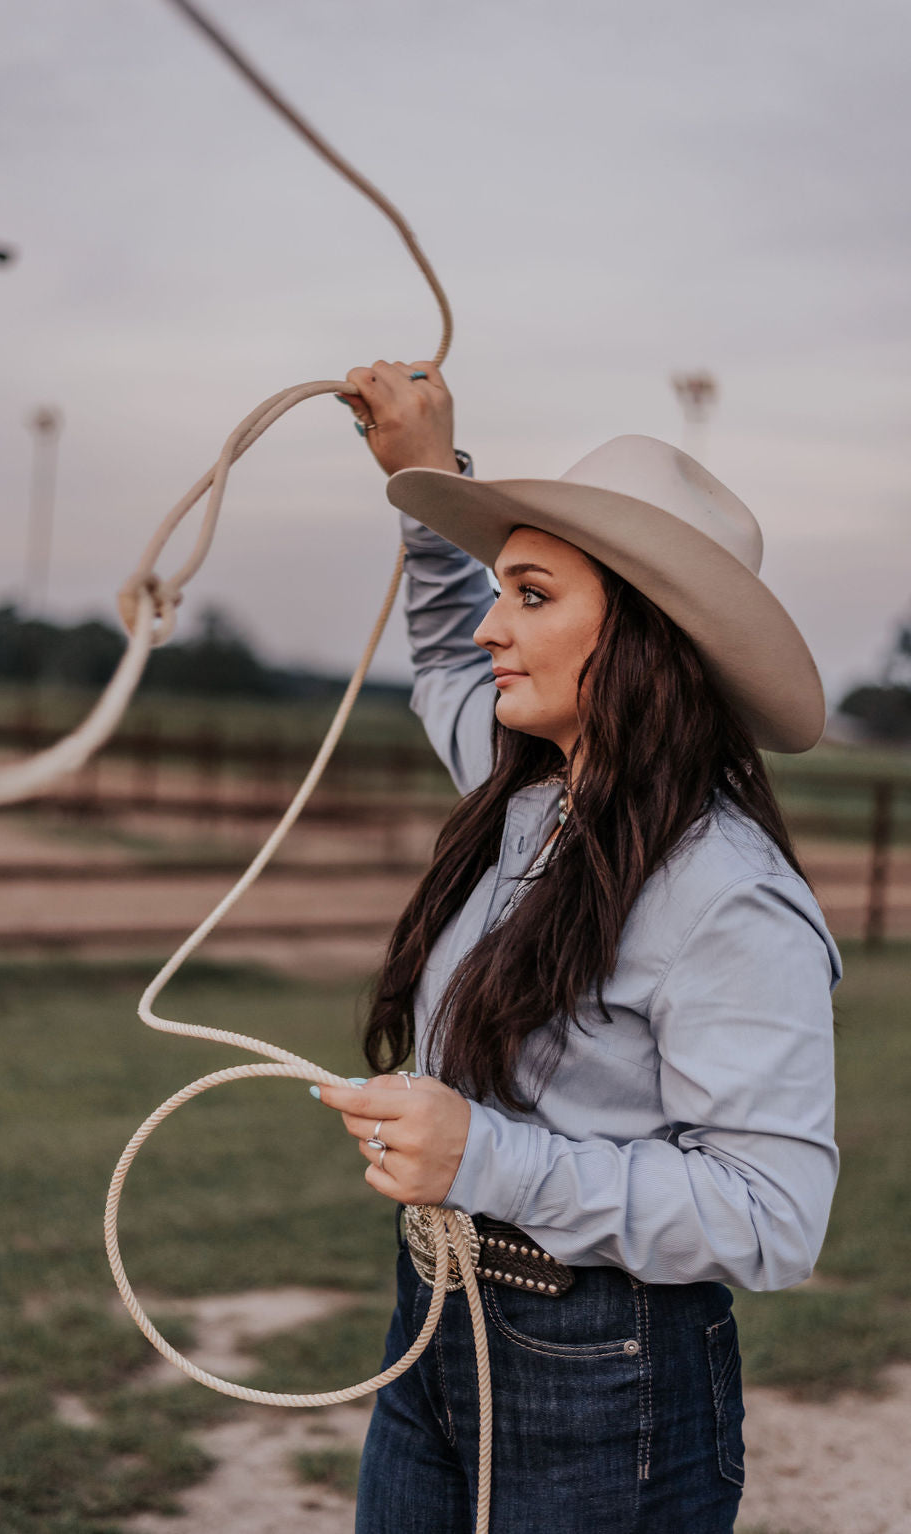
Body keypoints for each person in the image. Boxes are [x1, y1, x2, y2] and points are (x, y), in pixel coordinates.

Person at [314, 359, 841, 1533]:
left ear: (647, 638)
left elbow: (770, 1211)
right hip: (435, 1330)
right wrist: (421, 472)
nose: (498, 622)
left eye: (536, 596)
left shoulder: (724, 895)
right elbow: (454, 655)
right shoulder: (525, 794)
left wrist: (481, 1155)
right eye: (503, 590)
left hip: (608, 1383)